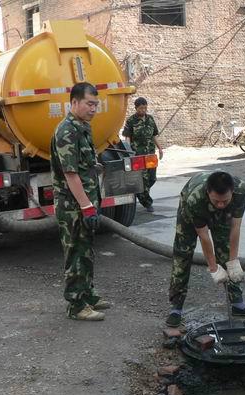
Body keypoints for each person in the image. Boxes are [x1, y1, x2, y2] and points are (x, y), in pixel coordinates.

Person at [165, 171, 245, 327]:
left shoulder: (241, 191)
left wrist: (233, 260)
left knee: (224, 251)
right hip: (189, 211)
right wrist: (213, 268)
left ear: (232, 192)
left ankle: (237, 304)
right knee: (183, 254)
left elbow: (235, 227)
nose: (220, 204)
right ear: (208, 192)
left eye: (224, 201)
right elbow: (204, 236)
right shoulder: (195, 199)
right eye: (216, 200)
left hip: (223, 214)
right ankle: (176, 308)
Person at [50, 82, 111, 321]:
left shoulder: (83, 127)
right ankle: (76, 306)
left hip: (85, 203)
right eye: (89, 103)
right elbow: (70, 174)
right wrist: (86, 206)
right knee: (75, 253)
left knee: (86, 251)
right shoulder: (67, 130)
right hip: (73, 207)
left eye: (96, 104)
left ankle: (88, 294)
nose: (93, 108)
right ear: (74, 102)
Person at [122, 97, 163, 213]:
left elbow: (154, 135)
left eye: (145, 108)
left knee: (152, 178)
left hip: (150, 153)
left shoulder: (150, 119)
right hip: (138, 154)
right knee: (143, 179)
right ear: (136, 108)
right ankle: (147, 202)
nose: (143, 110)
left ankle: (140, 192)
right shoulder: (131, 121)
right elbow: (127, 137)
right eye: (141, 108)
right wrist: (129, 151)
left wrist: (160, 148)